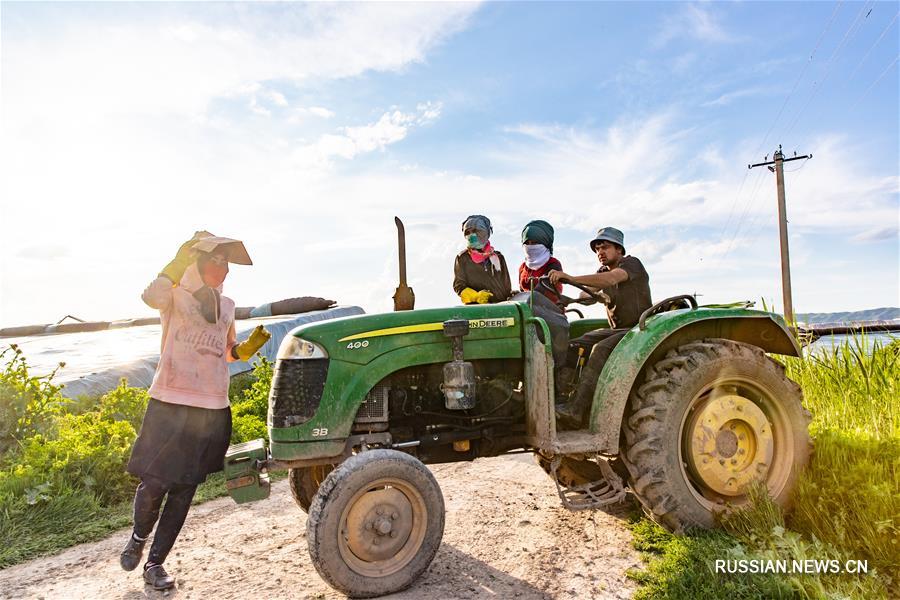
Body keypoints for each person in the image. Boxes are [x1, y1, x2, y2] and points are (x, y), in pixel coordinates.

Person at [120, 232, 271, 590]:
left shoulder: (228, 305)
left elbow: (227, 350)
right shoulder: (173, 295)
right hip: (170, 401)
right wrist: (177, 261)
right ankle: (139, 537)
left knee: (185, 488)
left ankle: (155, 563)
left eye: (226, 263)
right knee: (155, 481)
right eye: (215, 261)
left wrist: (247, 348)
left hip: (211, 407)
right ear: (198, 262)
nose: (222, 268)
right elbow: (148, 296)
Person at [549, 227, 652, 426]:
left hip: (639, 330)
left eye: (604, 247)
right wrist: (569, 300)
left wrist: (570, 278)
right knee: (572, 346)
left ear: (619, 249)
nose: (600, 253)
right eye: (597, 249)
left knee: (600, 349)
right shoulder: (602, 272)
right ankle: (562, 398)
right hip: (618, 330)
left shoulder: (631, 264)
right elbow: (588, 295)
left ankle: (576, 411)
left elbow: (611, 279)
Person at [453, 215, 512, 304]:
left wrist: (510, 295)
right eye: (468, 232)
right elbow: (458, 285)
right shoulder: (463, 258)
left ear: (486, 233)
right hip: (476, 309)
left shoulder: (498, 257)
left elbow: (506, 285)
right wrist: (475, 296)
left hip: (501, 307)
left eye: (476, 231)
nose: (471, 235)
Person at [518, 219, 564, 304]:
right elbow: (522, 291)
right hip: (527, 311)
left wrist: (524, 298)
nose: (530, 246)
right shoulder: (523, 267)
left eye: (535, 243)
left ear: (545, 243)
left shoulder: (553, 264)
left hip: (550, 311)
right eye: (527, 243)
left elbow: (545, 288)